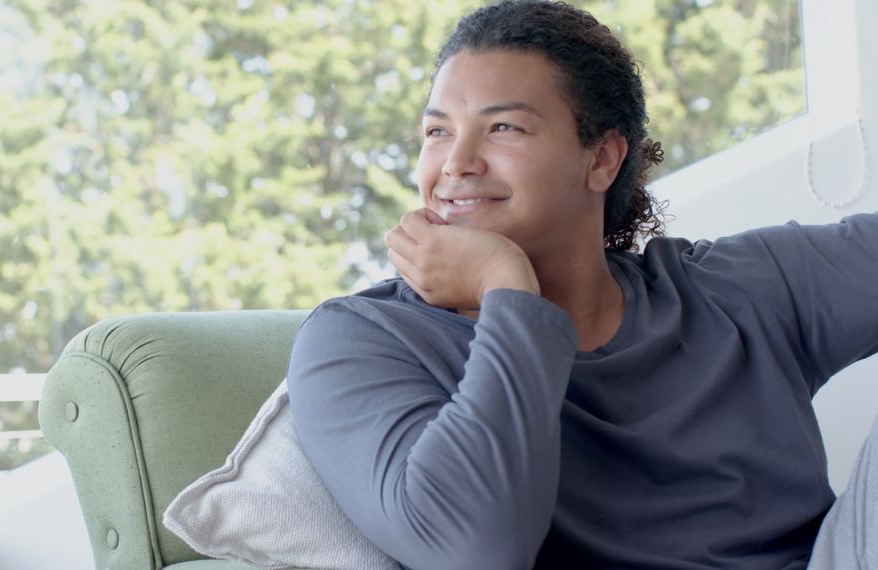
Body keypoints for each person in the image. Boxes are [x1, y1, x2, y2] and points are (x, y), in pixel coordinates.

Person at [284, 1, 878, 568]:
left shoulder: (731, 289)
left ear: (602, 160)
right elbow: (473, 552)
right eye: (437, 132)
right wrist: (507, 288)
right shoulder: (362, 340)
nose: (456, 162)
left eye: (504, 128)